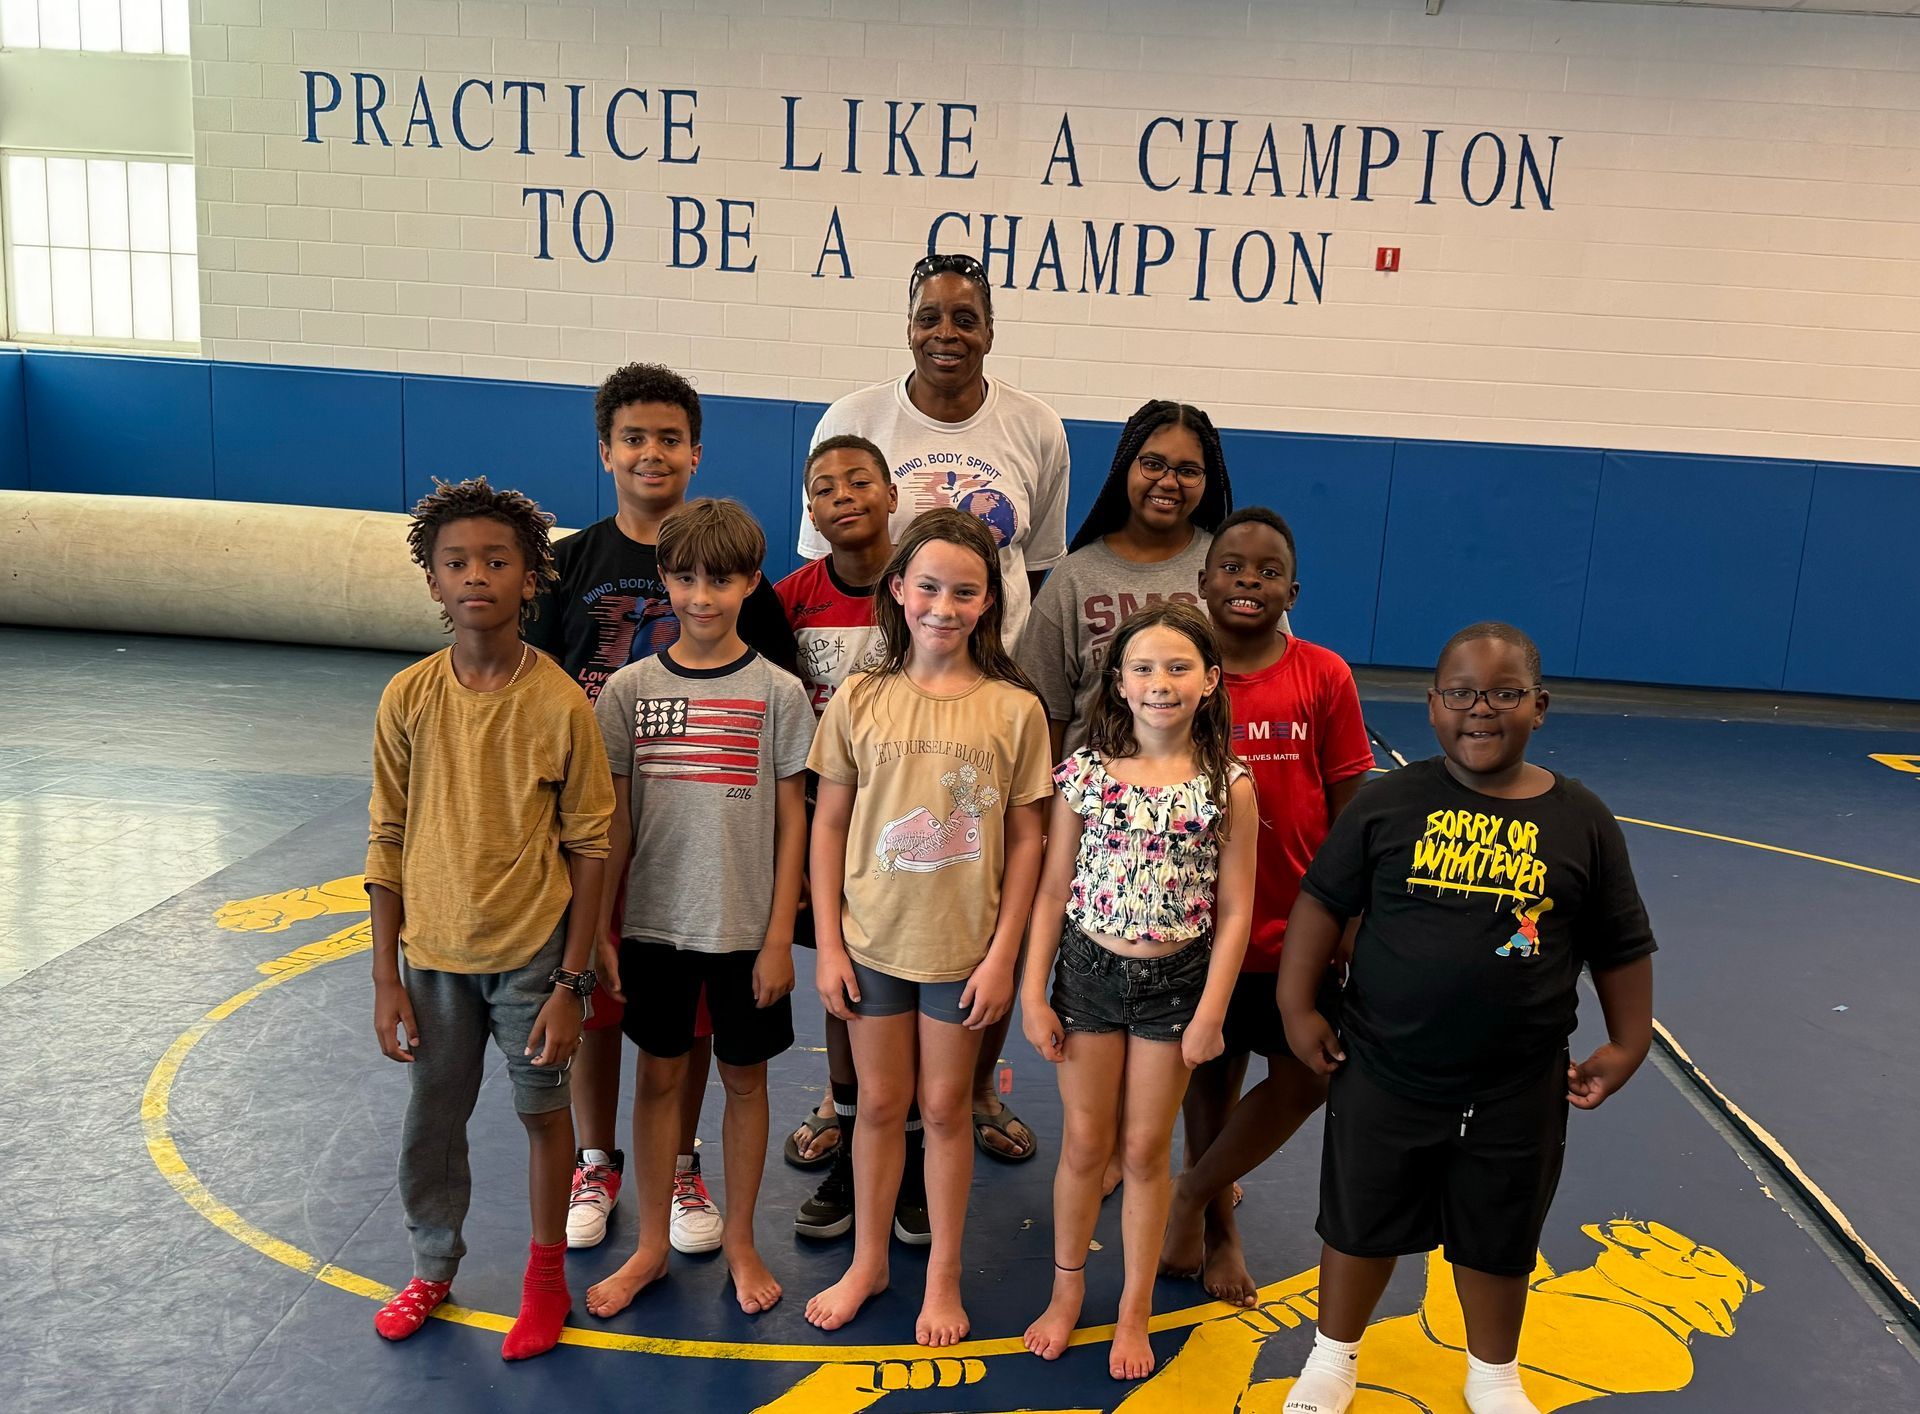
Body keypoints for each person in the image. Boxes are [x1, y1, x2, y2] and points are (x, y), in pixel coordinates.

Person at [1278, 622, 1657, 1414]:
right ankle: (1332, 1358)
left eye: (1503, 693)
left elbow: (1619, 941)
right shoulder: (1389, 803)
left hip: (1519, 1081)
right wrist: (1296, 1001)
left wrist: (1629, 1040)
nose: (1479, 709)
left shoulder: (1581, 819)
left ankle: (1494, 1373)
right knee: (1359, 1218)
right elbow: (1321, 903)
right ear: (1430, 704)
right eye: (1460, 692)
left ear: (1540, 706)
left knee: (1500, 1229)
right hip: (1383, 1065)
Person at [801, 254, 1068, 1163]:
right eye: (930, 316)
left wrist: (1004, 681)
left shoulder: (1035, 426)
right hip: (887, 704)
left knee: (978, 900)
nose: (946, 332)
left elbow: (1039, 569)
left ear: (991, 328)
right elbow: (829, 563)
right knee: (868, 910)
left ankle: (974, 1095)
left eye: (966, 317)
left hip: (986, 704)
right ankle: (850, 1104)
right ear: (907, 322)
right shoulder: (855, 420)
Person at [525, 362, 796, 1255]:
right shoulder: (571, 564)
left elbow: (784, 724)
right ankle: (597, 1159)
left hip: (708, 848)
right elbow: (530, 685)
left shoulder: (750, 617)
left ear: (696, 453)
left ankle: (681, 1167)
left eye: (668, 439)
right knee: (603, 1002)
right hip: (596, 830)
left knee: (691, 1034)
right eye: (633, 438)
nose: (650, 453)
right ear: (605, 452)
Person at [364, 477, 613, 1360]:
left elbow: (591, 845)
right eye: (457, 562)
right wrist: (386, 977)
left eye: (498, 561)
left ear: (530, 577)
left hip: (532, 958)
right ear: (433, 581)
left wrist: (573, 982)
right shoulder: (408, 698)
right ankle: (433, 1264)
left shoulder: (559, 705)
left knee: (544, 1115)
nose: (478, 576)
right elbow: (385, 838)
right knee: (433, 1116)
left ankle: (545, 1281)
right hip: (432, 959)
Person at [801, 509, 1053, 1346]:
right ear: (899, 591)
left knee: (945, 1109)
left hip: (960, 953)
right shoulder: (860, 700)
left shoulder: (1015, 711)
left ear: (989, 602)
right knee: (878, 1105)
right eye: (930, 587)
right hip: (874, 943)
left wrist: (1004, 956)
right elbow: (828, 824)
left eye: (965, 591)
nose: (945, 605)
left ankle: (940, 1278)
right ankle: (869, 1261)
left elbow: (1027, 840)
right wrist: (829, 943)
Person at [582, 499, 814, 1319]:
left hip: (747, 930)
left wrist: (780, 935)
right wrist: (606, 926)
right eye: (685, 579)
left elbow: (794, 822)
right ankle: (649, 1245)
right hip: (652, 927)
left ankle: (743, 1241)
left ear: (753, 582)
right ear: (666, 581)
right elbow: (614, 821)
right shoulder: (629, 691)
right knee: (657, 1081)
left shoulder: (781, 693)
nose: (702, 597)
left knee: (744, 1083)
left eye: (721, 580)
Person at [1019, 602, 1257, 1381]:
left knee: (1146, 1151)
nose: (1161, 683)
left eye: (1179, 667)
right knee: (1086, 1146)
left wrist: (1212, 1011)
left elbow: (1236, 907)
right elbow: (1053, 890)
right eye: (1145, 669)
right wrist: (1034, 992)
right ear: (1118, 684)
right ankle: (1066, 1291)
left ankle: (1133, 1309)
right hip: (1088, 974)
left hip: (1176, 985)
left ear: (1211, 681)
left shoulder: (1228, 785)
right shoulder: (1085, 775)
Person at [1161, 508, 1376, 1306]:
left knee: (1309, 1073)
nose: (1249, 580)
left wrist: (1353, 913)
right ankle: (1219, 1228)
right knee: (1208, 1083)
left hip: (1301, 924)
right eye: (1232, 566)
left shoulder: (1323, 674)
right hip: (1198, 926)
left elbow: (1355, 806)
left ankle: (1190, 1192)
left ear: (1294, 589)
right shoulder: (1180, 671)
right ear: (1202, 582)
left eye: (1268, 570)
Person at [774, 435, 930, 1246]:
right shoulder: (791, 598)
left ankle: (913, 1148)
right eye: (824, 486)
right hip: (826, 827)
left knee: (915, 986)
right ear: (809, 510)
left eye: (860, 480)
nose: (844, 495)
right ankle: (850, 1126)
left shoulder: (924, 589)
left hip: (916, 832)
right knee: (846, 986)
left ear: (892, 493)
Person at [1019, 400, 1234, 762]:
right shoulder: (1074, 577)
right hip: (1093, 807)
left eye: (1188, 471)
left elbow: (1270, 677)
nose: (1168, 481)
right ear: (1125, 467)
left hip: (1204, 801)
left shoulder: (1228, 567)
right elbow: (1044, 714)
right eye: (1152, 464)